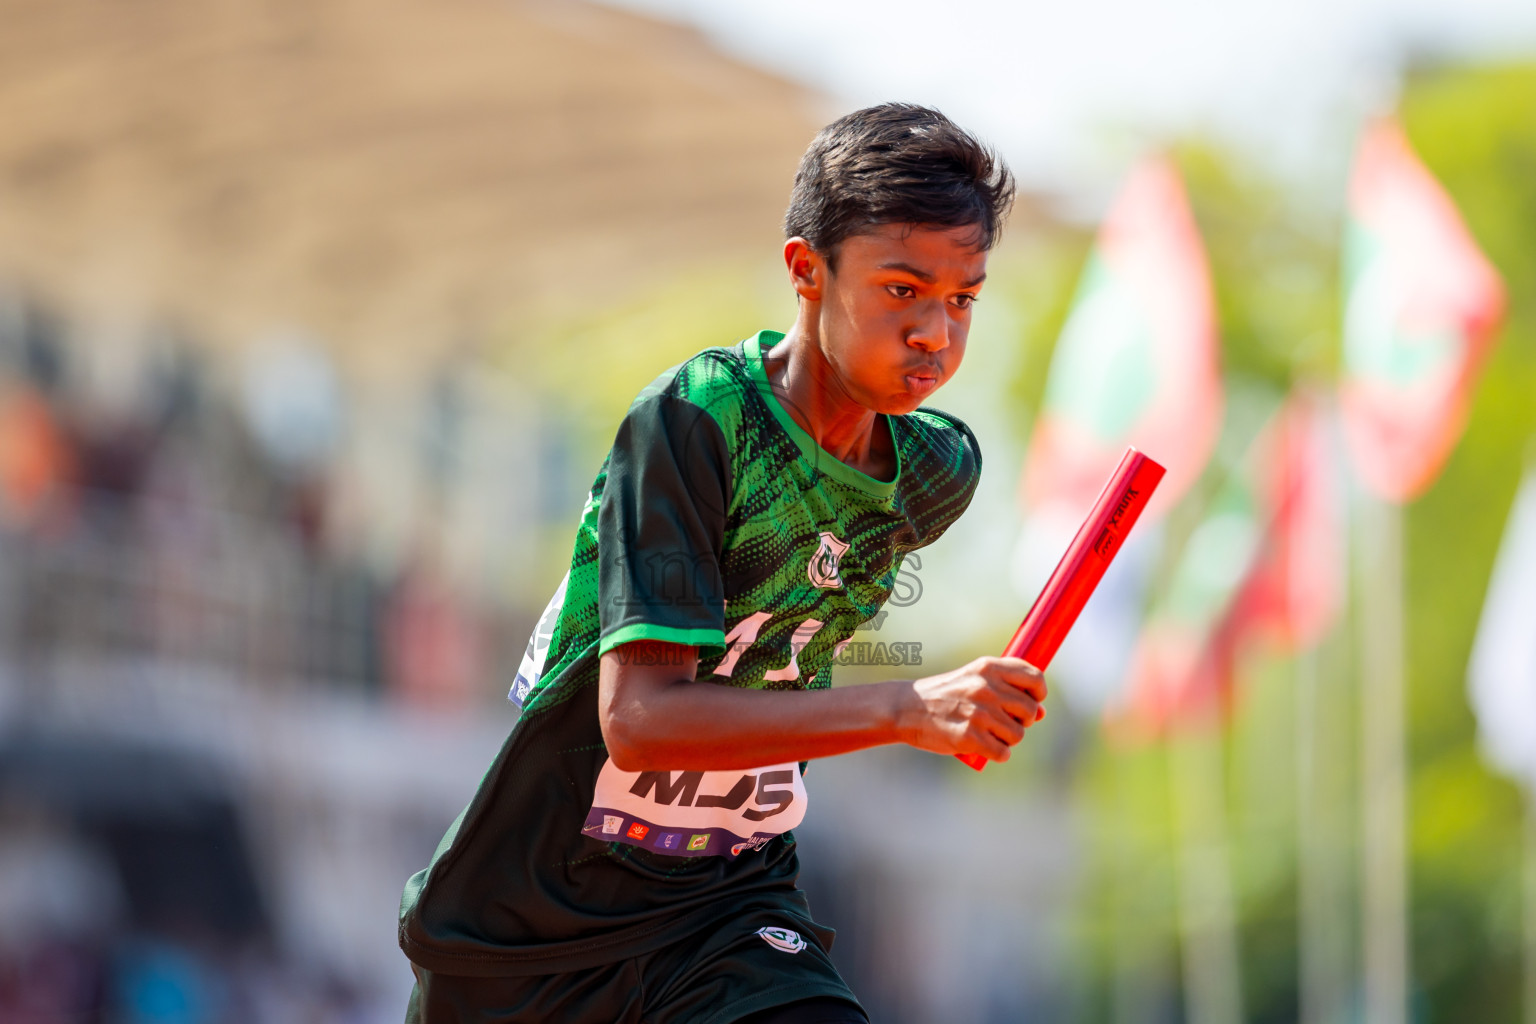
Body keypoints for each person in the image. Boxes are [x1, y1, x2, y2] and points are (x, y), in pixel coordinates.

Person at [399, 102, 1048, 1024]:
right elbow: (638, 720)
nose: (936, 333)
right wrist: (905, 705)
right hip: (532, 929)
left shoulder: (937, 473)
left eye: (964, 297)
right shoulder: (695, 421)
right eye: (902, 289)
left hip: (727, 909)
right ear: (806, 271)